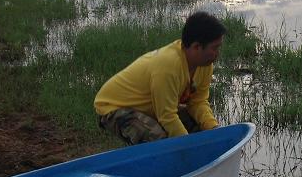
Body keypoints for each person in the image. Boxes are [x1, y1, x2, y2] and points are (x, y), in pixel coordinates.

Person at [94, 11, 225, 145]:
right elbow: (167, 116)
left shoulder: (204, 65)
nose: (217, 54)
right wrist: (187, 146)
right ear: (196, 47)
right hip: (114, 107)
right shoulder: (169, 65)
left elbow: (198, 102)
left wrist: (214, 129)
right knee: (160, 141)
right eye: (214, 48)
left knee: (199, 127)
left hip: (149, 107)